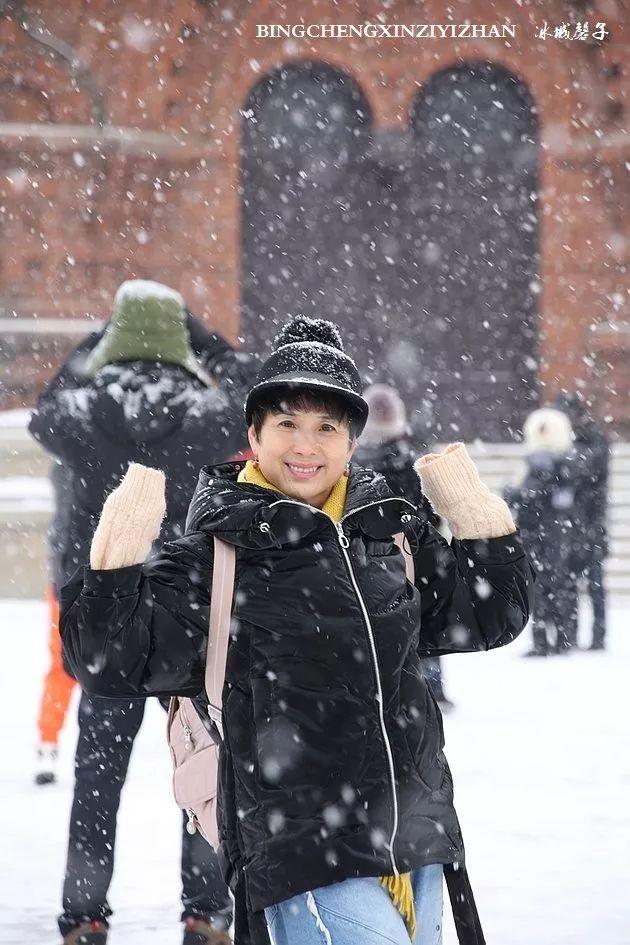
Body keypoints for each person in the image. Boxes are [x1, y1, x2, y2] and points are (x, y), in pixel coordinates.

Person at [61, 316, 534, 945]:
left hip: (414, 835)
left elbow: (491, 616)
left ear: (351, 441)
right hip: (303, 848)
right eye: (286, 423)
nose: (305, 445)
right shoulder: (218, 553)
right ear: (253, 435)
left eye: (326, 427)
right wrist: (115, 565)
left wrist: (473, 514)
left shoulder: (387, 535)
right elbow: (107, 660)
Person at [30, 280, 253, 945]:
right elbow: (252, 388)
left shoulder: (82, 411)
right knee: (204, 766)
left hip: (110, 616)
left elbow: (42, 410)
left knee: (98, 773)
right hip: (188, 613)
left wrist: (101, 340)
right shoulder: (212, 412)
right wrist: (200, 337)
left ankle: (85, 912)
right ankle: (206, 910)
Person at [354, 383, 454, 711]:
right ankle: (425, 689)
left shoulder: (359, 462)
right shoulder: (407, 460)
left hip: (379, 557)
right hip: (405, 557)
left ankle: (403, 690)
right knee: (417, 626)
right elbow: (429, 514)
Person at [504, 407, 576, 657]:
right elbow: (513, 496)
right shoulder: (531, 464)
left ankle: (560, 639)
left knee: (553, 586)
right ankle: (546, 641)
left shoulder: (562, 465)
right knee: (540, 588)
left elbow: (563, 500)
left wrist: (531, 493)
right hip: (538, 533)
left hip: (552, 533)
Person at [35, 461, 78, 784]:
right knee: (62, 666)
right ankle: (47, 740)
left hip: (74, 574)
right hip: (69, 579)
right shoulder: (70, 462)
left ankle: (48, 740)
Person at [555, 392, 610, 650]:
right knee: (569, 585)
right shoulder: (569, 441)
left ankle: (597, 637)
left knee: (594, 585)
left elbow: (587, 471)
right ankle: (569, 635)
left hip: (590, 524)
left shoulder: (592, 439)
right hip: (570, 526)